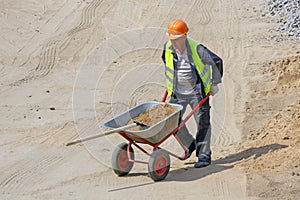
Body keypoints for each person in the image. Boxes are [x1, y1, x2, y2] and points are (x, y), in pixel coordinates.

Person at [161, 19, 222, 168]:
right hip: (177, 93)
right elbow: (166, 61)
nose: (173, 43)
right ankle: (189, 145)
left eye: (176, 40)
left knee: (202, 124)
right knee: (171, 121)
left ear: (184, 36)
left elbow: (217, 62)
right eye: (171, 39)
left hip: (197, 93)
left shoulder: (197, 49)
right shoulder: (167, 48)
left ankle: (204, 156)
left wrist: (214, 83)